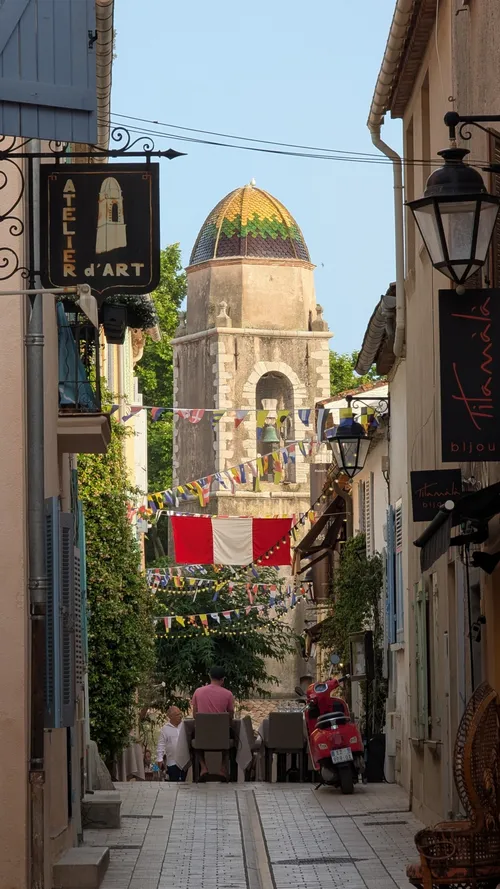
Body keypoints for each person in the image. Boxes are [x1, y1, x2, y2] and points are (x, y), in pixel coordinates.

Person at [192, 666, 234, 781]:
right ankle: (223, 768)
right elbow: (231, 716)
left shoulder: (198, 692)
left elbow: (195, 715)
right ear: (223, 679)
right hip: (221, 737)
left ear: (210, 677)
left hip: (203, 736)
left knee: (193, 737)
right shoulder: (228, 694)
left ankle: (203, 767)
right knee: (231, 736)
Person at [156, 706, 185, 782]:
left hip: (185, 762)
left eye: (180, 714)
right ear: (171, 717)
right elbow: (161, 745)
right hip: (172, 763)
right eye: (177, 715)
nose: (180, 716)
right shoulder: (165, 729)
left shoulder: (184, 726)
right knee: (174, 783)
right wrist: (160, 759)